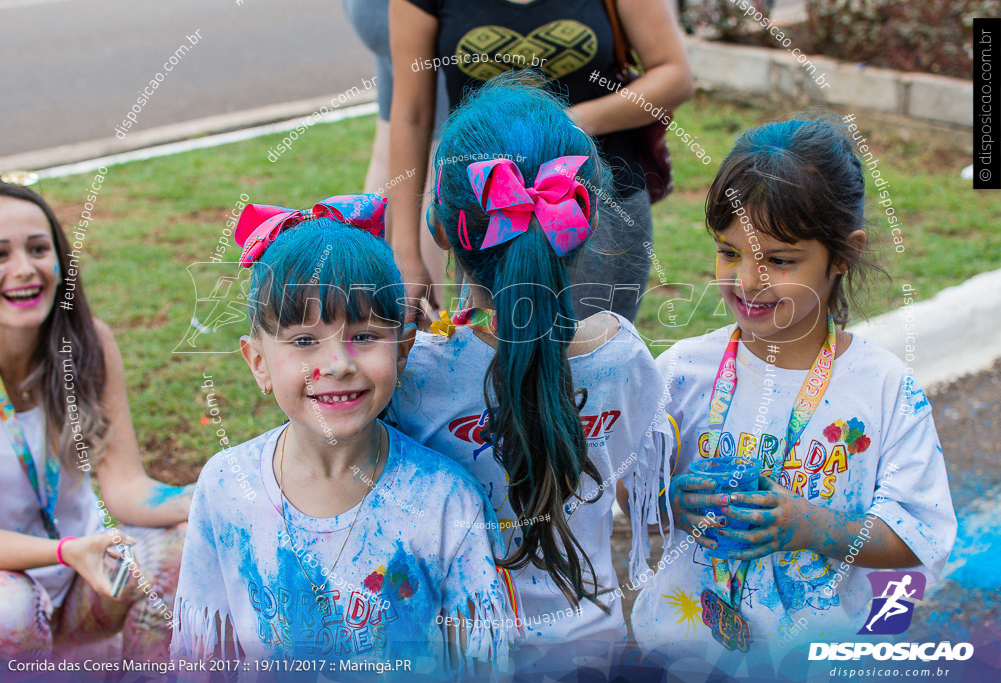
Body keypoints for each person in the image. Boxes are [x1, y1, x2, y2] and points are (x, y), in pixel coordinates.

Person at [629, 117, 957, 678]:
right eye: (729, 252)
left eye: (779, 261)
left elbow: (914, 533)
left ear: (842, 256)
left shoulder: (883, 389)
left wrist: (807, 526)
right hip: (681, 649)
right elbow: (630, 485)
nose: (747, 280)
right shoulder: (681, 372)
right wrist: (668, 504)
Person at [388, 74, 674, 676]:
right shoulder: (625, 361)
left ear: (440, 232)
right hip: (592, 651)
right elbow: (646, 502)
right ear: (584, 222)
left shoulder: (411, 376)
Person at [170, 196, 517, 676]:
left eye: (365, 335)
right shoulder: (226, 488)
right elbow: (200, 656)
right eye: (305, 341)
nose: (338, 364)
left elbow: (485, 665)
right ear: (257, 363)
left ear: (402, 349)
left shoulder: (445, 502)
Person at [0, 177, 190, 672]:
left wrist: (203, 497)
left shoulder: (89, 343)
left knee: (181, 544)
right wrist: (65, 550)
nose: (25, 269)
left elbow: (125, 487)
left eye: (37, 248)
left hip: (87, 581)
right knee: (2, 610)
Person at [388, 0, 694, 322]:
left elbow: (675, 74)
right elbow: (412, 116)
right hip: (484, 217)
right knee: (491, 357)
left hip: (594, 207)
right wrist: (405, 252)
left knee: (594, 360)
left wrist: (559, 125)